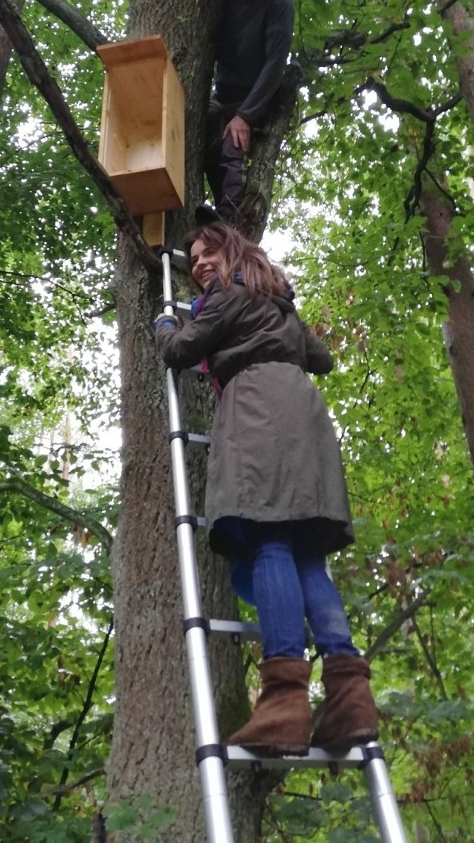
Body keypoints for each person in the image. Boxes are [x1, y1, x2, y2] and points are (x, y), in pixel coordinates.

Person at [154, 223, 378, 756]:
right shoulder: (276, 299)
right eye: (194, 259)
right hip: (303, 412)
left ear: (233, 253)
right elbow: (321, 358)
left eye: (209, 253)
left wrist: (166, 323)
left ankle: (283, 703)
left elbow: (182, 349)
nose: (201, 263)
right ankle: (350, 697)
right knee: (305, 555)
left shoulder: (225, 294)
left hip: (256, 407)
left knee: (269, 540)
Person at [200, 0, 295, 224]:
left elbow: (274, 65)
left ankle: (228, 220)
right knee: (199, 134)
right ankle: (216, 209)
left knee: (232, 146)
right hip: (223, 95)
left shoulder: (278, 5)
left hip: (257, 98)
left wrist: (245, 115)